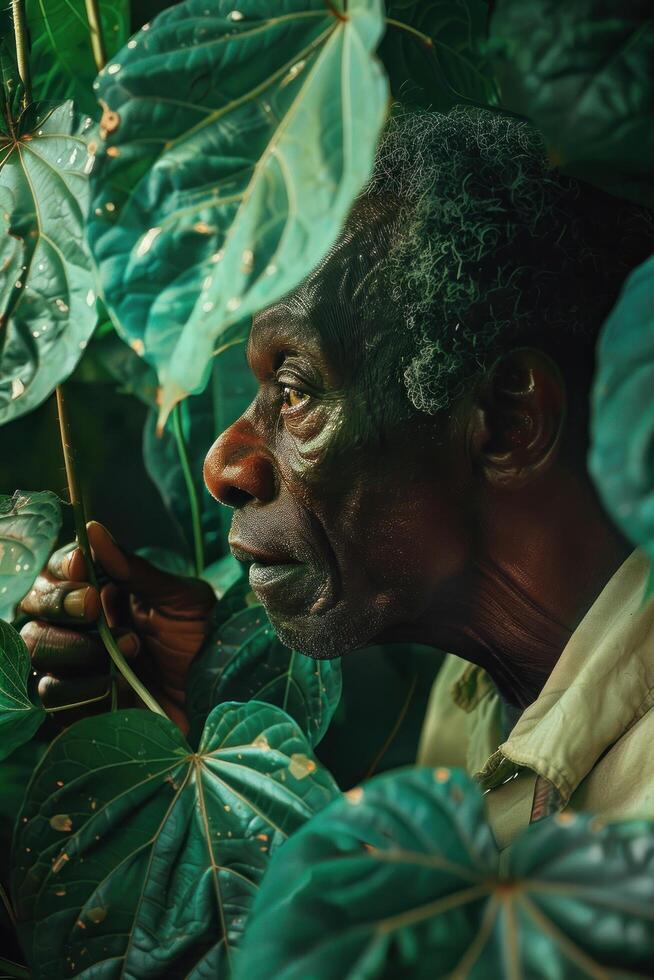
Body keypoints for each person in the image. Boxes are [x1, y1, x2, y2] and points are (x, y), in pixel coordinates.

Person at [21, 109, 654, 849]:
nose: (223, 467)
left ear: (507, 421)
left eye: (295, 391)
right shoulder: (482, 693)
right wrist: (196, 727)